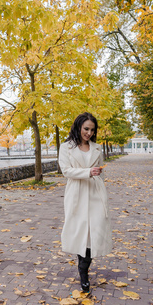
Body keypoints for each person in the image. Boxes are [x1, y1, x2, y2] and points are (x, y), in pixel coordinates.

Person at [58, 112, 112, 293]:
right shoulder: (66, 147)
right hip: (77, 193)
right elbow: (66, 171)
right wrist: (88, 172)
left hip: (95, 193)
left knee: (94, 232)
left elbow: (100, 171)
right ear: (78, 127)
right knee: (80, 231)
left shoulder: (96, 148)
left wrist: (97, 172)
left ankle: (83, 269)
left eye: (92, 130)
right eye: (86, 129)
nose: (89, 133)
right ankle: (83, 271)